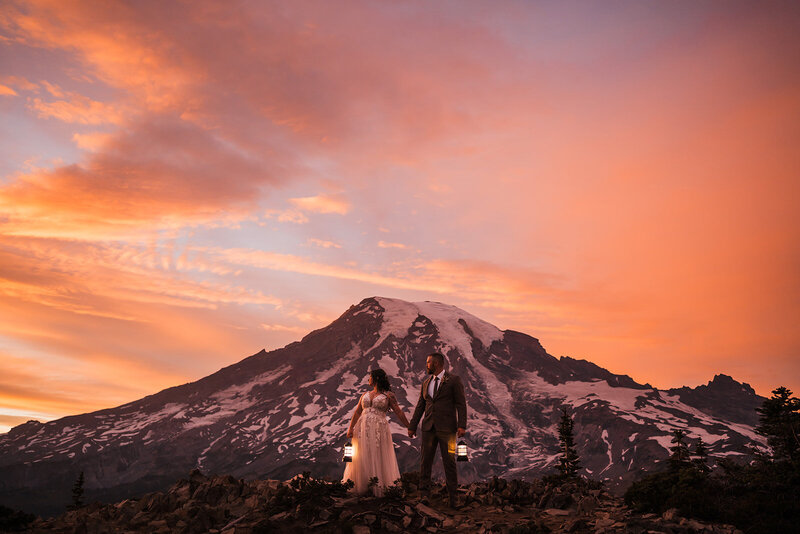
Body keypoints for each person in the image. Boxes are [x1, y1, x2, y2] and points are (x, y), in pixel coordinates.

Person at [408, 352, 467, 509]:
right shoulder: (426, 383)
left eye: (428, 362)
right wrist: (412, 426)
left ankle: (454, 498)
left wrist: (462, 425)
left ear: (436, 364)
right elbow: (421, 405)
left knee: (449, 462)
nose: (426, 365)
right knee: (425, 462)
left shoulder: (454, 380)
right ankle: (424, 495)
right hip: (428, 428)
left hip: (447, 429)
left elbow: (461, 404)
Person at [343, 368, 411, 496]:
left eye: (370, 377)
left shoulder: (388, 396)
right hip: (362, 427)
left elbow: (398, 411)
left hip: (379, 428)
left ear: (376, 379)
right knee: (362, 453)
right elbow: (358, 412)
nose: (368, 379)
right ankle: (361, 484)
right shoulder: (364, 395)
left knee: (377, 453)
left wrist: (409, 426)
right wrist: (350, 428)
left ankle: (378, 485)